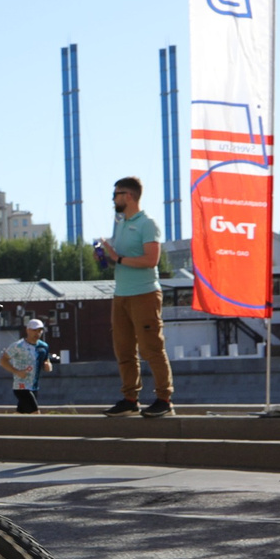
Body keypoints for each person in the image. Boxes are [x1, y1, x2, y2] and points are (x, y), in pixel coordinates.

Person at [100, 175, 174, 418]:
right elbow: (120, 259)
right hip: (121, 294)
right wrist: (105, 257)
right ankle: (130, 398)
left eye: (116, 195)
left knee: (151, 347)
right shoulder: (119, 223)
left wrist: (119, 258)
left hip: (144, 293)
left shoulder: (147, 224)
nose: (113, 200)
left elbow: (151, 260)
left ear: (128, 196)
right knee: (124, 350)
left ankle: (164, 398)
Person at [0, 317, 57, 414]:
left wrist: (48, 365)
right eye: (34, 330)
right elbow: (3, 361)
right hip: (21, 386)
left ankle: (5, 427)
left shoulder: (44, 346)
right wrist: (17, 372)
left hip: (34, 385)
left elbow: (46, 360)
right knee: (35, 412)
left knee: (20, 413)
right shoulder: (18, 346)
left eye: (40, 330)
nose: (37, 333)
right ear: (27, 330)